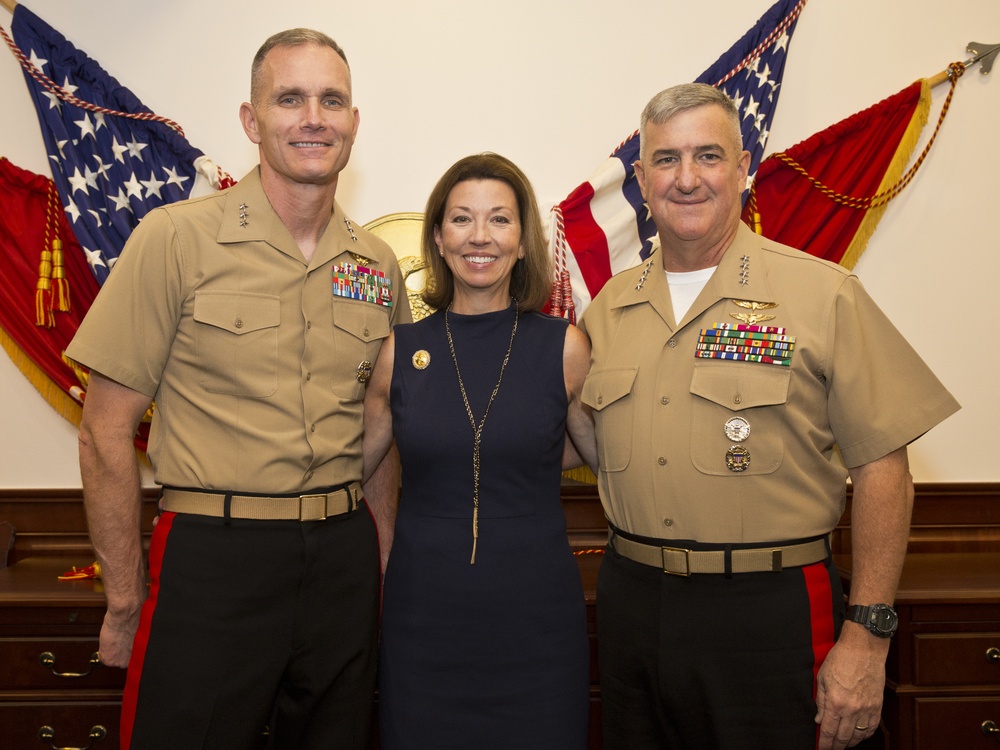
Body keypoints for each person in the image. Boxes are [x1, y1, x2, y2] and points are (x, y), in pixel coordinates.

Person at [579, 83, 960, 750]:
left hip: (769, 612)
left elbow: (883, 467)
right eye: (665, 161)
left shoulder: (821, 294)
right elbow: (567, 437)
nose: (687, 179)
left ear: (745, 166)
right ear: (640, 181)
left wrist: (867, 637)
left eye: (708, 156)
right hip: (634, 607)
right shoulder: (607, 310)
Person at [66, 29, 410, 750]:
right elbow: (103, 432)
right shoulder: (176, 240)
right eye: (290, 99)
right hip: (215, 558)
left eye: (331, 100)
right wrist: (124, 600)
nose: (313, 117)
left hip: (341, 561)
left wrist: (379, 572)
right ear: (252, 122)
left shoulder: (376, 264)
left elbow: (380, 426)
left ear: (354, 123)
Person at [362, 152, 597, 749]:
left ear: (523, 240)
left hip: (536, 623)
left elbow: (603, 458)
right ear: (438, 238)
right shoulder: (400, 350)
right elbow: (350, 470)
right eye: (462, 219)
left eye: (500, 219)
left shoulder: (565, 347)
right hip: (424, 620)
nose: (480, 236)